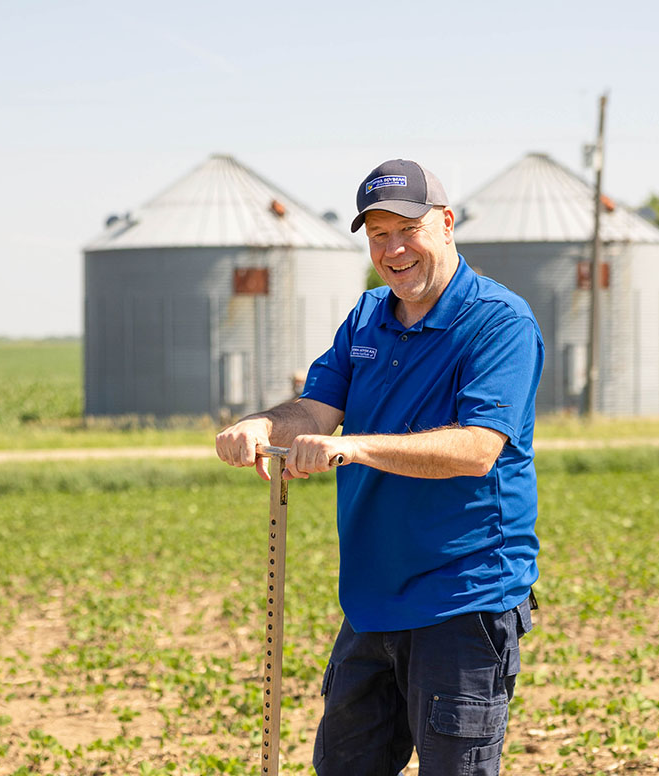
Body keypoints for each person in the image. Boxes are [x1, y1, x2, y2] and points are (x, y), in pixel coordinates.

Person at [215, 159, 545, 776]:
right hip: (371, 604)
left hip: (463, 600)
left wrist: (355, 447)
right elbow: (315, 408)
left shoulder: (499, 322)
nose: (393, 250)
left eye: (407, 229)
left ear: (446, 225)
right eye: (377, 235)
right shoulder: (368, 315)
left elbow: (478, 448)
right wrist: (263, 425)